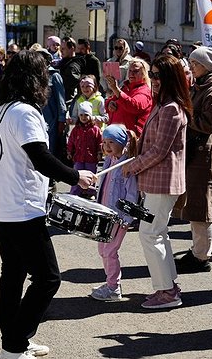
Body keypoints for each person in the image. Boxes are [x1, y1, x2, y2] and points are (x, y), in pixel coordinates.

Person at [0, 50, 95, 358]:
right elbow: (41, 158)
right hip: (22, 207)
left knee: (13, 274)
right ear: (35, 80)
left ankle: (14, 342)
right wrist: (76, 176)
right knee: (48, 278)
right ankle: (15, 345)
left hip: (3, 205)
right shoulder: (25, 112)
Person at [122, 55, 191, 310]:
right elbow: (153, 145)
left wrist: (134, 165)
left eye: (159, 75)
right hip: (156, 180)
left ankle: (167, 291)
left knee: (150, 233)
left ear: (171, 78)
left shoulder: (172, 108)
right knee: (157, 232)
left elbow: (161, 150)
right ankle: (168, 287)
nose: (154, 79)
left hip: (163, 181)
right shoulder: (163, 105)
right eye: (152, 74)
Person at [174, 46, 212, 274]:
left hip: (203, 151)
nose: (191, 67)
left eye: (195, 64)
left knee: (202, 204)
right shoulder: (202, 86)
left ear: (206, 66)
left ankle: (201, 256)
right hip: (196, 150)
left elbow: (208, 124)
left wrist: (186, 115)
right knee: (195, 203)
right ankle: (198, 250)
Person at [90, 124, 139, 301]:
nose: (107, 146)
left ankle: (113, 288)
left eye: (112, 142)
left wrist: (127, 218)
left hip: (118, 218)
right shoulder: (110, 161)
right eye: (104, 142)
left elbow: (132, 194)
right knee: (103, 250)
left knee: (110, 251)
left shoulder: (127, 164)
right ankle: (110, 282)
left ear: (122, 142)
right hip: (104, 215)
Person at [104, 58, 153, 136]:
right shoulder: (125, 87)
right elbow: (110, 100)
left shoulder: (145, 91)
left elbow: (134, 106)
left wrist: (115, 89)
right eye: (130, 71)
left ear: (144, 74)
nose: (131, 74)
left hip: (131, 138)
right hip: (115, 136)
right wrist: (110, 103)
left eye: (136, 71)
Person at [67, 102, 102, 199]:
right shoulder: (76, 129)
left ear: (90, 116)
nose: (83, 117)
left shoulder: (95, 129)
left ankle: (90, 192)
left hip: (91, 158)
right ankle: (75, 191)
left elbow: (100, 142)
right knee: (77, 174)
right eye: (81, 115)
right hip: (78, 157)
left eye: (86, 115)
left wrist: (100, 152)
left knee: (91, 175)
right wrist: (69, 151)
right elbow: (71, 141)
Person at [57, 37, 83, 109]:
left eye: (63, 49)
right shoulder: (64, 62)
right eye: (60, 48)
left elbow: (71, 83)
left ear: (72, 49)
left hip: (68, 102)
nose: (61, 51)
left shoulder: (74, 65)